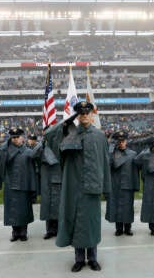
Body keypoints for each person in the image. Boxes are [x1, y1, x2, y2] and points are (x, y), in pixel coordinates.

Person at [45, 101, 111, 272]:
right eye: (80, 114)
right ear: (77, 116)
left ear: (92, 114)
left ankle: (93, 258)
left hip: (93, 187)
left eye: (87, 113)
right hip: (73, 187)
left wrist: (106, 187)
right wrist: (68, 121)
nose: (84, 116)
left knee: (91, 224)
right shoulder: (69, 135)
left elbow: (105, 162)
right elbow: (49, 135)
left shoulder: (100, 136)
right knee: (75, 222)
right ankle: (79, 259)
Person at [0, 127, 37, 242]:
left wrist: (32, 186)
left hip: (24, 184)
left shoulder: (29, 152)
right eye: (13, 137)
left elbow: (32, 170)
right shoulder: (6, 151)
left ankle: (23, 232)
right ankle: (15, 232)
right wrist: (7, 143)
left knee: (23, 210)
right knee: (12, 210)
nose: (15, 139)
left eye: (17, 137)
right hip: (11, 185)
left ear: (22, 138)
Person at [106, 130, 139, 236]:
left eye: (123, 141)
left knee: (128, 208)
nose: (121, 143)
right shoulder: (112, 154)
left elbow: (135, 172)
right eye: (119, 141)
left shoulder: (133, 154)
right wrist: (110, 150)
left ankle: (128, 228)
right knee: (116, 207)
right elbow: (107, 165)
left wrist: (136, 185)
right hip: (115, 185)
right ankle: (119, 228)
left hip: (128, 185)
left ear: (126, 141)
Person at [31, 128, 62, 240]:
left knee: (58, 205)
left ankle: (59, 230)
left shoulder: (59, 144)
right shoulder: (43, 146)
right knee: (47, 205)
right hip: (46, 179)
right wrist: (42, 143)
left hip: (58, 178)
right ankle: (49, 230)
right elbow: (33, 155)